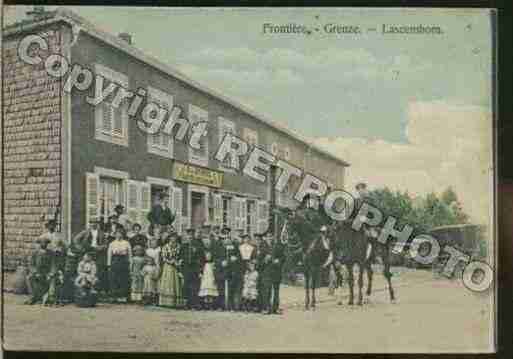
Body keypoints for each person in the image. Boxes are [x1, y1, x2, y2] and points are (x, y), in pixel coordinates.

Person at [72, 217, 109, 295]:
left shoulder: (101, 233)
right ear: (89, 224)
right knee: (85, 269)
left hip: (97, 253)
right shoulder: (85, 232)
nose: (93, 224)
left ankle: (95, 290)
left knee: (96, 271)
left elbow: (106, 244)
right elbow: (76, 240)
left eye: (95, 223)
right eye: (92, 223)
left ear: (98, 224)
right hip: (87, 251)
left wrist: (100, 247)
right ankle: (83, 290)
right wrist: (81, 248)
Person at [259, 231, 286, 315]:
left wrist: (279, 260)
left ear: (273, 237)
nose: (269, 238)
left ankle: (276, 308)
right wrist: (265, 260)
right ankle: (266, 308)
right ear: (265, 237)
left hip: (276, 271)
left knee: (276, 291)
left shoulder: (278, 246)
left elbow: (283, 257)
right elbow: (258, 261)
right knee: (267, 290)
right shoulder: (262, 247)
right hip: (266, 271)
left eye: (271, 236)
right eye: (268, 236)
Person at [219, 227, 243, 311]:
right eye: (225, 236)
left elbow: (239, 256)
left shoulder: (235, 245)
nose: (226, 238)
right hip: (222, 269)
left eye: (228, 236)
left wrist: (235, 258)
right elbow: (216, 257)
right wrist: (221, 262)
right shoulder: (220, 245)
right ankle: (222, 306)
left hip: (232, 269)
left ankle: (231, 305)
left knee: (231, 288)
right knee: (221, 288)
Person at [159, 232, 185, 308]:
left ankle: (175, 302)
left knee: (175, 282)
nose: (173, 239)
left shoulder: (179, 246)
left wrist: (179, 261)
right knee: (168, 282)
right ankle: (166, 302)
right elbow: (164, 257)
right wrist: (170, 262)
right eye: (172, 237)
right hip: (168, 267)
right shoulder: (165, 247)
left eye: (175, 237)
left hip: (176, 267)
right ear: (169, 238)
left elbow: (181, 256)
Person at [107, 226, 132, 303]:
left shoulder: (126, 243)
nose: (119, 235)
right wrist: (109, 264)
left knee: (123, 279)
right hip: (115, 261)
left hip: (123, 262)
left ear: (123, 234)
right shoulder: (112, 243)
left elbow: (129, 254)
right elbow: (109, 254)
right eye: (117, 234)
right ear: (115, 235)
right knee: (114, 279)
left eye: (120, 234)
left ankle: (122, 297)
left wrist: (130, 263)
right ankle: (114, 296)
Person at [181, 228, 204, 310]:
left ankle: (194, 303)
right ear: (187, 236)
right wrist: (181, 270)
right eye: (189, 235)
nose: (190, 237)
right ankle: (187, 304)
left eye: (192, 235)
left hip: (195, 268)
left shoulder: (198, 245)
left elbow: (202, 258)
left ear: (194, 236)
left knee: (195, 286)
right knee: (186, 286)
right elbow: (181, 258)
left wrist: (200, 270)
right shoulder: (184, 245)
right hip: (186, 268)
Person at [25, 237, 52, 305]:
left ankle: (48, 298)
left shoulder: (51, 253)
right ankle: (32, 297)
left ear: (47, 244)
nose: (44, 244)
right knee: (29, 278)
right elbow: (31, 264)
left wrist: (50, 273)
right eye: (42, 243)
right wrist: (35, 272)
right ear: (39, 244)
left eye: (45, 243)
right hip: (37, 272)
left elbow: (54, 265)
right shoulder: (35, 253)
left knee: (52, 280)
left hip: (46, 273)